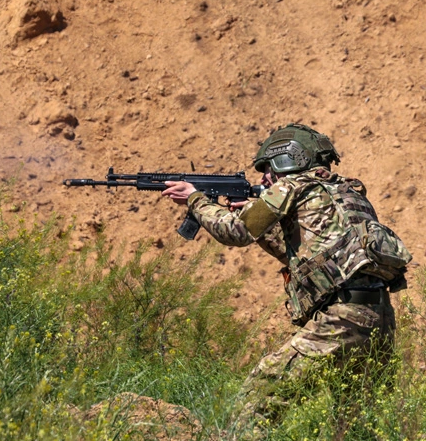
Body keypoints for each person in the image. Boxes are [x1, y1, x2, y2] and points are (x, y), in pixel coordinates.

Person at [161, 123, 411, 421]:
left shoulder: (291, 186)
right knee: (358, 424)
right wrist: (260, 219)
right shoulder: (348, 193)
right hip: (377, 318)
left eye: (268, 168)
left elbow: (235, 231)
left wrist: (195, 199)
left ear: (288, 159)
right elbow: (306, 256)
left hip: (340, 317)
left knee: (254, 403)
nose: (265, 177)